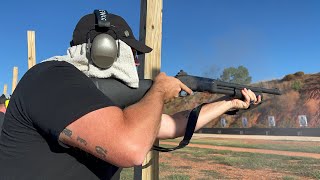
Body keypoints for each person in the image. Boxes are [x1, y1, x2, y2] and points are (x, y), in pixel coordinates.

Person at [0, 10, 261, 179]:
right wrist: (159, 89)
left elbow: (172, 125)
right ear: (105, 49)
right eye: (132, 53)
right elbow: (132, 149)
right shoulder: (51, 77)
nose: (136, 63)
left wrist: (229, 103)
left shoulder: (96, 98)